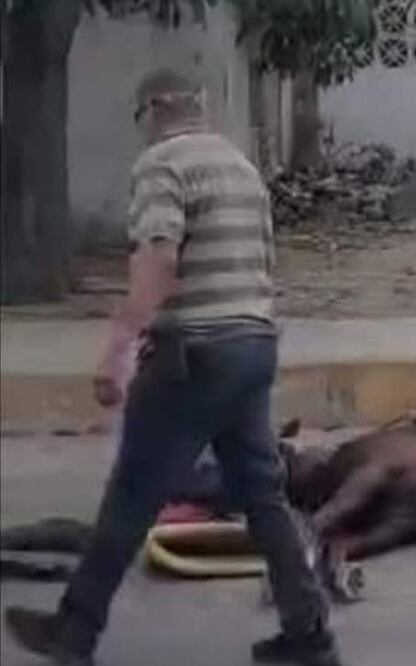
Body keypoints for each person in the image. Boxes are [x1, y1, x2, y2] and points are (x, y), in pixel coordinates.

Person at [3, 68, 343, 666]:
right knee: (263, 496)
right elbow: (264, 266)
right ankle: (309, 631)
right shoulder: (242, 168)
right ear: (201, 106)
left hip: (194, 352)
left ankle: (74, 632)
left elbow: (159, 256)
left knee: (133, 491)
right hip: (253, 344)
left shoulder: (162, 164)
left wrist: (120, 345)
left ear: (156, 108)